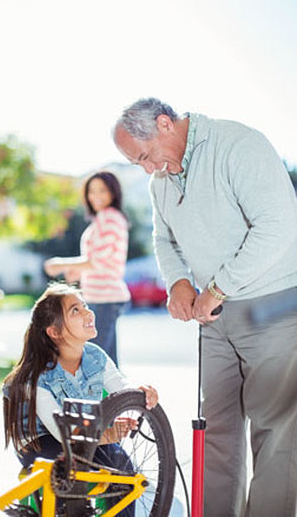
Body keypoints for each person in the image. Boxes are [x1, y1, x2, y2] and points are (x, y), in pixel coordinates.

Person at [113, 97, 297, 517]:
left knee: (275, 432)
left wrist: (217, 287)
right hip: (213, 319)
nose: (144, 170)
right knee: (215, 433)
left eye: (143, 156)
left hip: (272, 304)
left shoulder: (237, 145)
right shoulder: (161, 180)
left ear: (164, 124)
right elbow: (164, 240)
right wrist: (178, 282)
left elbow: (279, 225)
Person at [3, 282, 158, 517]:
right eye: (76, 310)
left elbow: (119, 385)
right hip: (41, 440)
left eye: (84, 305)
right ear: (55, 332)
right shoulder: (38, 377)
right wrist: (106, 434)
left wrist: (138, 391)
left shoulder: (96, 357)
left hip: (85, 434)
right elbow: (59, 432)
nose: (88, 312)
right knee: (66, 473)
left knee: (123, 467)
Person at [44, 171, 130, 366]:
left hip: (105, 296)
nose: (96, 196)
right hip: (101, 296)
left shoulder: (109, 218)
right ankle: (114, 397)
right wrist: (77, 271)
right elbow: (100, 261)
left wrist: (59, 263)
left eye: (102, 190)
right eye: (92, 191)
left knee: (95, 362)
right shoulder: (103, 219)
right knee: (105, 362)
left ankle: (107, 397)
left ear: (113, 193)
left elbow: (96, 261)